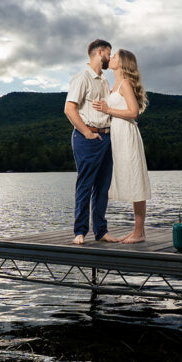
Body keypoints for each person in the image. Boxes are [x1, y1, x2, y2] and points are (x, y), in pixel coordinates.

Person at [92, 49, 151, 244]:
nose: (111, 58)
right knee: (127, 178)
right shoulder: (113, 85)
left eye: (115, 56)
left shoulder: (125, 83)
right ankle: (137, 231)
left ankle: (139, 232)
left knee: (135, 179)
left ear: (123, 63)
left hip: (127, 134)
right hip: (115, 135)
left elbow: (134, 112)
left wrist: (108, 109)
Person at [64, 39, 117, 245]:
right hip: (88, 137)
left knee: (103, 187)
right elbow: (69, 109)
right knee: (85, 185)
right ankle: (80, 231)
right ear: (100, 52)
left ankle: (101, 231)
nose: (110, 58)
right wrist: (87, 133)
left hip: (106, 137)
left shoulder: (104, 80)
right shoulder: (82, 77)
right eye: (109, 54)